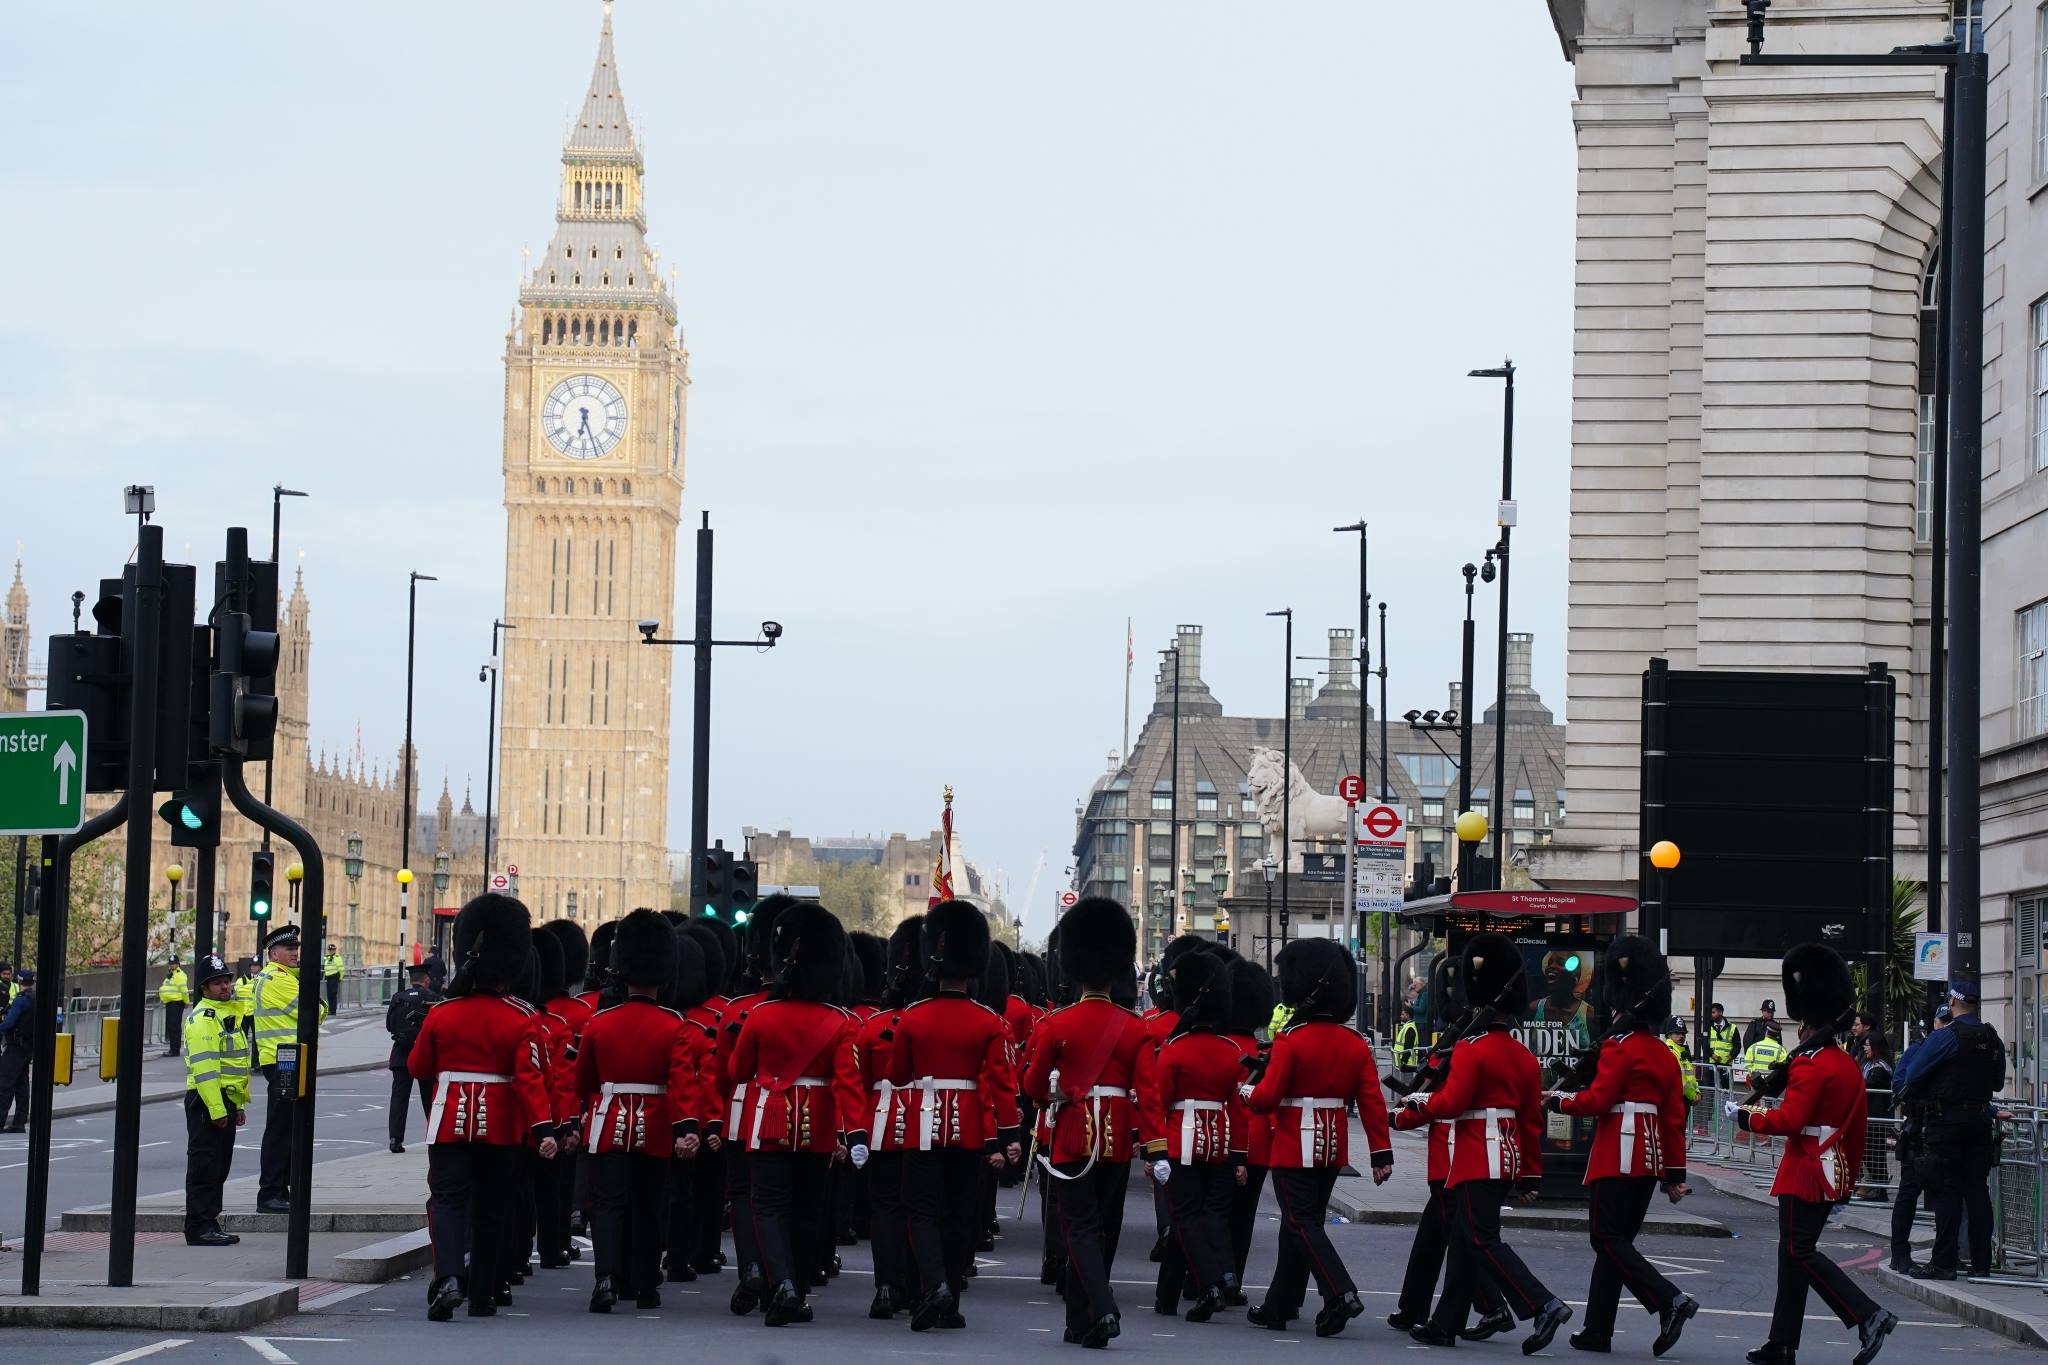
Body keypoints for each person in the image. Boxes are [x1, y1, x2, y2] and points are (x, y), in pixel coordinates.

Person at [1394, 933, 1572, 1354]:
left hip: (1476, 1155)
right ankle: (1445, 1324)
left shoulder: (1471, 1050)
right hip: (1507, 1156)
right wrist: (1531, 1174)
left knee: (1480, 1239)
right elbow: (1531, 1120)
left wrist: (1413, 1106)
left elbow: (1452, 1103)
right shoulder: (1523, 1056)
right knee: (1463, 1240)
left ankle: (1542, 1304)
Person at [1732, 943, 1898, 1365]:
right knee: (1791, 1253)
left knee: (1799, 1251)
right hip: (1832, 1166)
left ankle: (1867, 1315)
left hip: (1806, 1168)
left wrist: (1747, 1116)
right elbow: (1855, 1126)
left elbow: (1790, 1120)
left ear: (1806, 1021)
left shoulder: (1809, 1063)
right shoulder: (1843, 1063)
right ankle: (1781, 1341)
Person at [408, 893, 559, 1321]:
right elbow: (531, 1079)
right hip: (501, 1126)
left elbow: (418, 1067)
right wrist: (544, 1129)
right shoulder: (521, 1017)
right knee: (493, 1208)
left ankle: (449, 1279)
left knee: (448, 1202)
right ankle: (483, 1294)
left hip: (448, 1123)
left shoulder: (443, 1014)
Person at [1548, 936, 1699, 1355]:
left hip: (1618, 1151)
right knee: (1617, 1245)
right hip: (1649, 1158)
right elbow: (1673, 1119)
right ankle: (1597, 1329)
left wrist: (1559, 1100)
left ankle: (1669, 1300)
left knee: (1605, 1239)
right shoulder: (1665, 1054)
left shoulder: (1618, 1049)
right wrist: (1674, 1175)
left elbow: (1598, 1101)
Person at [1244, 938, 1393, 1337]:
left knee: (1300, 1223)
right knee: (1298, 1225)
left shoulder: (1291, 1040)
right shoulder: (1354, 1043)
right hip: (1332, 1147)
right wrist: (1381, 1154)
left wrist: (1246, 1093)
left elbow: (1268, 1097)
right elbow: (1372, 1101)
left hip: (1294, 1144)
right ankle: (1279, 1305)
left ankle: (1340, 1292)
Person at [888, 899, 1022, 1332]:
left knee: (922, 1211)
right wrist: (1009, 1135)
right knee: (960, 1213)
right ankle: (950, 1302)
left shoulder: (913, 1017)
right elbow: (1001, 1082)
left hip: (922, 1125)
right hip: (968, 1128)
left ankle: (935, 1287)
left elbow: (897, 1074)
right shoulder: (988, 1021)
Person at [1019, 896, 1143, 1349]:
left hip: (1072, 1134)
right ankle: (1080, 1322)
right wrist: (1156, 1148)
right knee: (1102, 1225)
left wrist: (1052, 1094)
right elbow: (1147, 1092)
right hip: (1118, 1137)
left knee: (1080, 1227)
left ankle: (1103, 1308)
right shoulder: (1135, 1027)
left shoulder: (1057, 1024)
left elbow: (1033, 1086)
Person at [729, 901, 856, 1328]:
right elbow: (846, 1080)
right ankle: (795, 1291)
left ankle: (781, 1283)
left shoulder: (761, 1015)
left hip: (768, 1120)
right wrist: (852, 1133)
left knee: (769, 1206)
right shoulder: (839, 1021)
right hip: (817, 1124)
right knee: (806, 1210)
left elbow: (737, 1072)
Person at [575, 908, 702, 1314]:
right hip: (656, 1124)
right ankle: (646, 1284)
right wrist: (686, 1126)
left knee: (608, 1205)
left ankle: (606, 1280)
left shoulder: (600, 1022)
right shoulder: (675, 1025)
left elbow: (584, 1079)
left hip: (609, 1120)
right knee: (649, 1206)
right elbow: (681, 1081)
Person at [1135, 947, 1247, 1324]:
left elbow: (1157, 1103)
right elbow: (1238, 1109)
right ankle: (1166, 1296)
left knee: (1184, 1218)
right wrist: (1238, 1157)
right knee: (1195, 1217)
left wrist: (1151, 1150)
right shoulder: (1231, 1051)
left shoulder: (1174, 1051)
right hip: (1218, 1144)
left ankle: (1211, 1284)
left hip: (1179, 1142)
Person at [1893, 980, 2005, 1281]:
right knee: (1978, 1192)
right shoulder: (1992, 1037)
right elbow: (1997, 1083)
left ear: (1952, 1002)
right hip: (1980, 1122)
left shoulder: (1946, 1036)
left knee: (1947, 1191)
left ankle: (1943, 1263)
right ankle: (1981, 1264)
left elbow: (1913, 1075)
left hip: (1947, 1124)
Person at [848, 915, 924, 1321]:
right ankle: (915, 1287)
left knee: (886, 1209)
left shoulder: (872, 1027)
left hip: (881, 1125)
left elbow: (858, 1083)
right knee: (920, 1208)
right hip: (927, 1124)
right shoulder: (930, 1022)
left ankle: (885, 1287)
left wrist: (857, 1131)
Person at [251, 925, 328, 1213]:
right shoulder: (277, 979)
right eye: (289, 949)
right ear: (273, 954)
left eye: (296, 948)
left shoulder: (279, 977)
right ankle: (271, 1192)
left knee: (288, 1126)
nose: (296, 953)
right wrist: (319, 1004)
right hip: (283, 1058)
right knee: (281, 1128)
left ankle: (280, 1189)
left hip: (285, 1057)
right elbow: (314, 1011)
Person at [181, 954, 249, 1247]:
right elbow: (206, 1068)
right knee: (204, 1165)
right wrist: (217, 1109)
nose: (224, 987)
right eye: (217, 983)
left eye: (226, 981)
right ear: (204, 988)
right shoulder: (203, 1019)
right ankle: (198, 1226)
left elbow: (234, 1064)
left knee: (219, 1166)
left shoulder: (226, 1014)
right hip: (207, 1100)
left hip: (225, 1099)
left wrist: (238, 1104)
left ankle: (210, 1221)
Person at [385, 962, 440, 1153]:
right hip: (424, 1054)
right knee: (430, 1098)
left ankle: (395, 1139)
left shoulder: (398, 997)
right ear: (426, 979)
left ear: (411, 980)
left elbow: (390, 1025)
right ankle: (434, 1136)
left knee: (399, 1099)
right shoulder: (432, 998)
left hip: (401, 1054)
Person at [0, 968, 35, 1131]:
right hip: (28, 1046)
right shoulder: (36, 998)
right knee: (22, 1084)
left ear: (19, 981)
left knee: (5, 1083)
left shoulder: (21, 1000)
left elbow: (8, 1024)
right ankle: (19, 1121)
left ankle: (0, 1120)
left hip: (15, 1046)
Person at [158, 959, 190, 1058]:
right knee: (172, 1027)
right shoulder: (171, 975)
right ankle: (173, 1049)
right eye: (170, 964)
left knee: (174, 1027)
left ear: (178, 964)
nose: (172, 965)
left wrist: (186, 1001)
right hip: (170, 1003)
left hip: (176, 1003)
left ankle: (175, 1050)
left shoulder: (179, 975)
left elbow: (184, 990)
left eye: (174, 964)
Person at [1706, 1003, 1740, 1077]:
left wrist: (1731, 1056)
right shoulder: (1708, 1027)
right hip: (1711, 1063)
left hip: (1726, 1063)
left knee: (1726, 1084)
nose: (1711, 1015)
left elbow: (1737, 1045)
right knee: (1711, 1084)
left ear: (1720, 1012)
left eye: (1713, 1012)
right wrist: (1712, 1054)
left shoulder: (1732, 1028)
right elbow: (1704, 1044)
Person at [1394, 1003, 1423, 1075]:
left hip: (1407, 1065)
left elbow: (1408, 1047)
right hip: (1404, 1064)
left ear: (1408, 1015)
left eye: (1402, 1014)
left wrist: (1403, 1062)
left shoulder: (1410, 1028)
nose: (1401, 1016)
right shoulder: (1407, 1026)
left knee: (1406, 1081)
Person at [322, 943, 345, 1017]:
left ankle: (333, 1011)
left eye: (332, 950)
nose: (331, 951)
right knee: (329, 995)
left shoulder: (337, 958)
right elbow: (325, 968)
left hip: (334, 978)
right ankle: (331, 1010)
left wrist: (340, 978)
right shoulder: (327, 958)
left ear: (335, 950)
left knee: (333, 995)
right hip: (328, 978)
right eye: (330, 950)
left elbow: (341, 969)